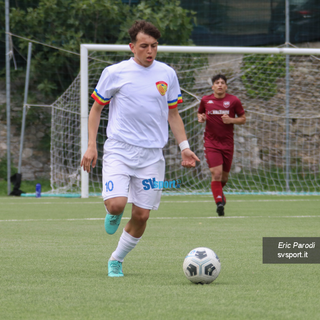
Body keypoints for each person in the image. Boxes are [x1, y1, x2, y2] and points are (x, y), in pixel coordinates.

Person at [80, 20, 200, 277]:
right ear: (132, 47)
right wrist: (91, 145)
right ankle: (113, 212)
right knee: (116, 205)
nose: (150, 51)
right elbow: (96, 109)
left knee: (142, 215)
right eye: (144, 46)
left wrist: (185, 148)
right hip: (120, 150)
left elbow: (174, 115)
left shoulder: (167, 74)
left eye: (154, 46)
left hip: (151, 157)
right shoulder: (115, 72)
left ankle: (116, 259)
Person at [197, 74, 246, 216]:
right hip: (211, 143)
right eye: (217, 83)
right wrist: (200, 118)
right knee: (216, 174)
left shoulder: (233, 100)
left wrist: (231, 120)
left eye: (222, 83)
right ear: (212, 86)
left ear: (226, 86)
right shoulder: (206, 100)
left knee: (224, 178)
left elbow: (243, 119)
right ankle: (219, 203)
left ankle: (219, 194)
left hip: (227, 144)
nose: (219, 85)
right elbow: (200, 113)